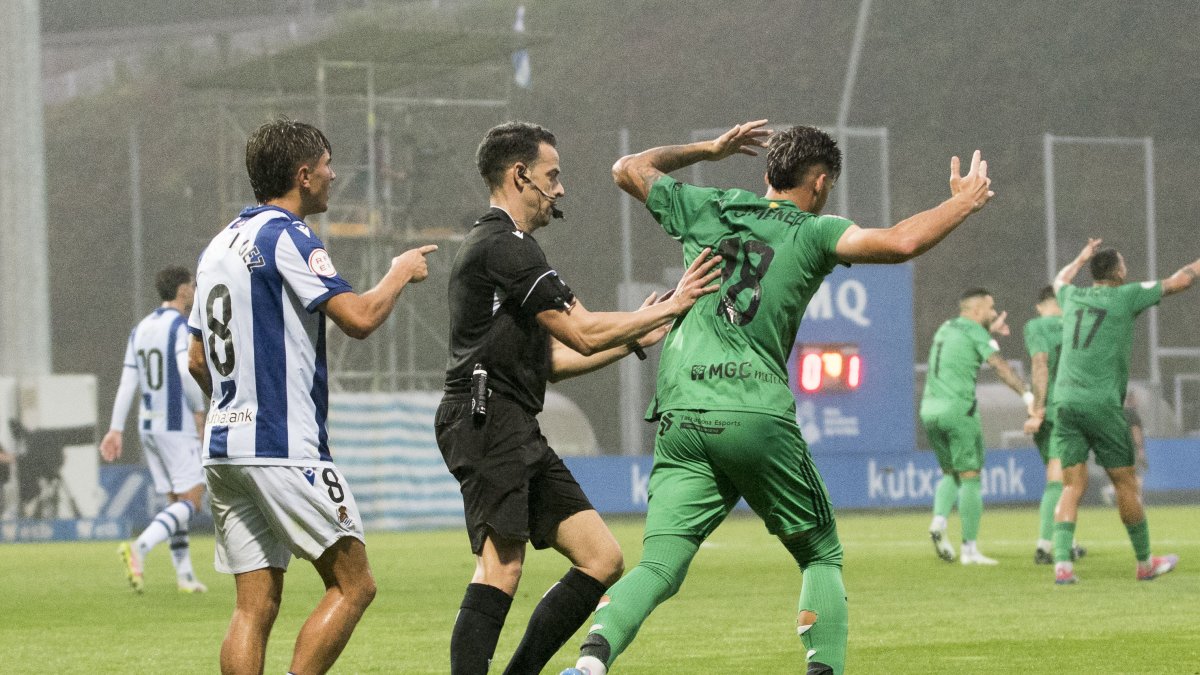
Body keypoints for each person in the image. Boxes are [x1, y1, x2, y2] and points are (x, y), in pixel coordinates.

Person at [562, 120, 995, 675]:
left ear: (767, 173)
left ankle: (591, 663)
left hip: (682, 412)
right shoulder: (814, 230)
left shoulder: (711, 206)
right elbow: (901, 242)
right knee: (820, 553)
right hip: (751, 409)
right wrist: (961, 204)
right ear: (818, 185)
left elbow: (628, 169)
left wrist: (708, 150)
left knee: (661, 563)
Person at [435, 121, 723, 675]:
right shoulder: (505, 246)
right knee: (501, 568)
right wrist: (665, 306)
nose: (561, 189)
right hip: (484, 415)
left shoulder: (510, 251)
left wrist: (639, 333)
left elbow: (560, 361)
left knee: (602, 558)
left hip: (511, 419)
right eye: (553, 176)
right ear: (521, 176)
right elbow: (584, 331)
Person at [187, 118, 437, 674]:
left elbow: (197, 359)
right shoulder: (288, 235)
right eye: (327, 165)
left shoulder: (215, 248)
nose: (333, 174)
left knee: (253, 608)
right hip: (283, 445)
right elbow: (360, 318)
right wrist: (399, 271)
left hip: (226, 448)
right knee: (354, 585)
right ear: (303, 175)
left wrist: (232, 402)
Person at [1049, 238, 1199, 584]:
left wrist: (1079, 257)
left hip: (1066, 401)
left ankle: (1062, 566)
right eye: (1124, 264)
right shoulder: (1126, 295)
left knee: (1071, 486)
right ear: (1117, 272)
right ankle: (1145, 563)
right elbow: (1181, 280)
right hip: (1101, 404)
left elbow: (1060, 280)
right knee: (1125, 482)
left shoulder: (1072, 297)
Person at [101, 266, 209, 593]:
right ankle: (140, 548)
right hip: (175, 424)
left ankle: (185, 575)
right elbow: (183, 366)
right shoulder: (180, 326)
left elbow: (127, 382)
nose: (194, 288)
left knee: (175, 499)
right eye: (191, 284)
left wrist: (115, 429)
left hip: (147, 425)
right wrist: (199, 409)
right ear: (182, 291)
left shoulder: (141, 328)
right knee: (193, 499)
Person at [921, 288, 1032, 566]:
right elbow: (1001, 367)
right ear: (977, 310)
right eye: (991, 308)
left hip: (929, 410)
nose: (994, 313)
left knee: (950, 472)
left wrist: (988, 332)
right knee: (971, 476)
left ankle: (939, 520)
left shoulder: (947, 327)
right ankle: (970, 550)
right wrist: (1028, 396)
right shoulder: (976, 332)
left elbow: (967, 343)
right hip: (958, 410)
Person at [1022, 285, 1085, 564]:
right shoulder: (1077, 324)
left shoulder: (1036, 326)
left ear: (1040, 305)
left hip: (1050, 408)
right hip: (1072, 406)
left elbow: (1040, 363)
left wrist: (1037, 408)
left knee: (1057, 479)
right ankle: (1050, 544)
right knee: (1068, 478)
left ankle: (1057, 541)